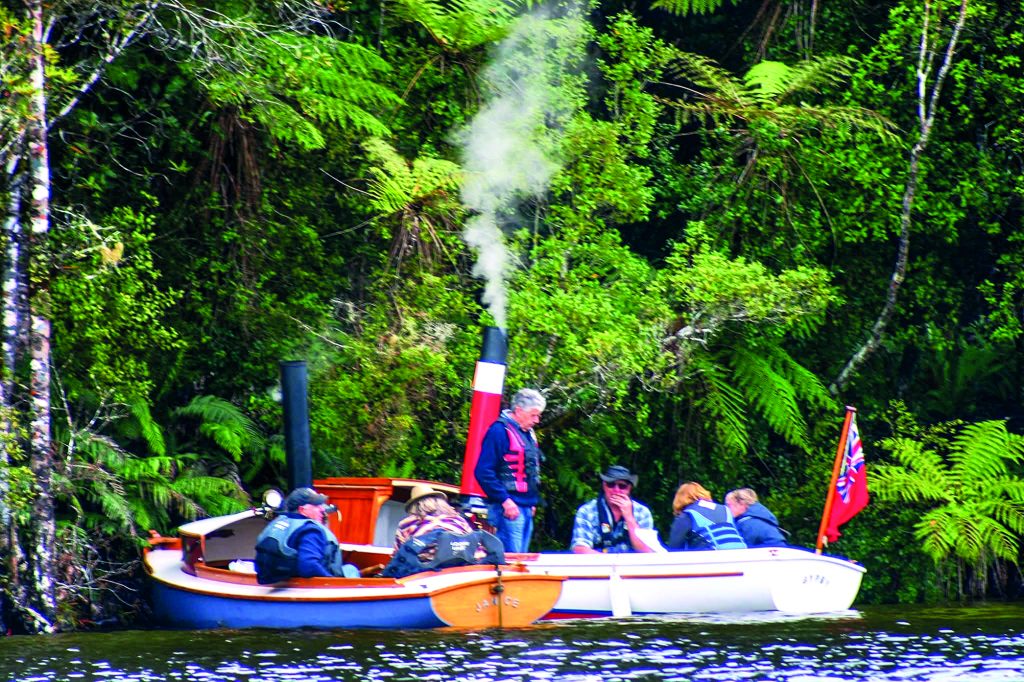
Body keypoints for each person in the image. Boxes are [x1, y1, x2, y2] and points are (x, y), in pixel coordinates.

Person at [474, 388, 546, 553]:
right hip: (509, 507)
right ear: (519, 411)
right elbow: (483, 472)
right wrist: (505, 500)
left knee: (521, 558)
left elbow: (530, 471)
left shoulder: (528, 433)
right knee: (511, 560)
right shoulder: (499, 431)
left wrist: (531, 502)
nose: (537, 420)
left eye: (538, 415)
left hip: (526, 507)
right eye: (533, 415)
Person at [254, 487, 358, 583]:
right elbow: (308, 566)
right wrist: (331, 582)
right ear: (302, 510)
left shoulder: (277, 523)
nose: (322, 509)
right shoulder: (310, 530)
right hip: (304, 589)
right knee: (351, 570)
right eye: (317, 506)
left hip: (272, 581)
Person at [571, 465, 656, 554]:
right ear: (604, 486)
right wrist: (610, 564)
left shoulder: (642, 512)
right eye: (611, 484)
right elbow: (580, 549)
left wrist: (629, 517)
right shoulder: (587, 511)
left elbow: (646, 551)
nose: (616, 490)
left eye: (622, 486)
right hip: (598, 565)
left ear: (629, 488)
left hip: (632, 566)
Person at [393, 484, 476, 562]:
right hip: (462, 567)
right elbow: (474, 542)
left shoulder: (407, 524)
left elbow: (398, 554)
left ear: (415, 505)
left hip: (423, 571)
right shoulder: (458, 520)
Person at [666, 482, 747, 551]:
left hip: (713, 562)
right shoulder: (725, 509)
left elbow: (674, 548)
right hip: (740, 556)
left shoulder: (687, 515)